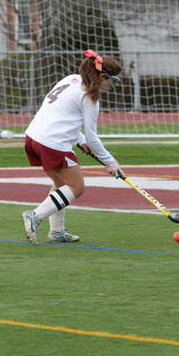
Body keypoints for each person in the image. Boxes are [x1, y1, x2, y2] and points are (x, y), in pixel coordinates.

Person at [22, 49, 123, 244]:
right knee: (76, 187)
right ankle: (35, 216)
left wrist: (80, 139)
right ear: (102, 76)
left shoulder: (71, 79)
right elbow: (93, 137)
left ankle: (56, 232)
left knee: (61, 185)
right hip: (53, 143)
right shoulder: (90, 98)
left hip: (33, 137)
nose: (113, 86)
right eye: (113, 81)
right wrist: (110, 162)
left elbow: (61, 112)